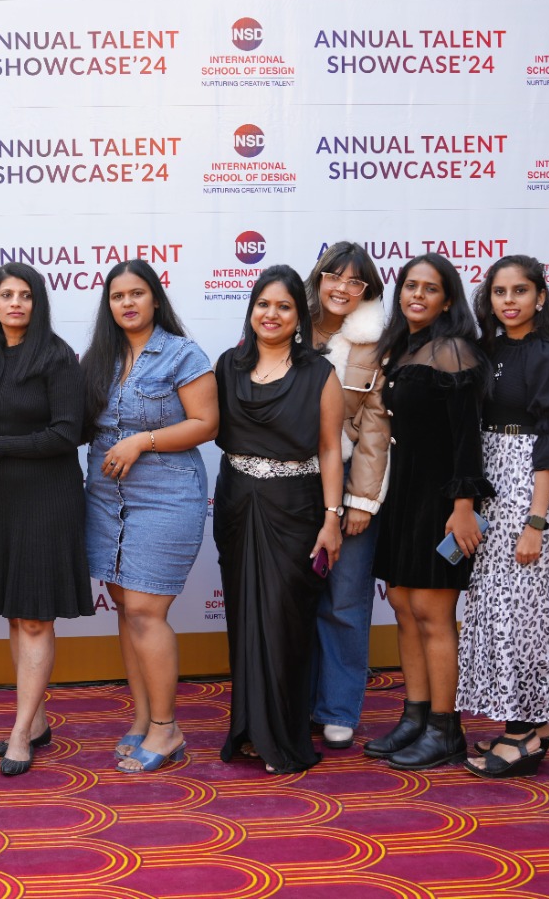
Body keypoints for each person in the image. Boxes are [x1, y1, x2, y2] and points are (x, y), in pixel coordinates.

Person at [0, 262, 92, 777]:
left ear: (38, 304)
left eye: (25, 295)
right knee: (15, 615)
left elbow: (67, 434)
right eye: (6, 295)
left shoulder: (57, 358)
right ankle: (34, 721)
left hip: (48, 499)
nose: (16, 302)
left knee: (35, 618)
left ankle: (19, 733)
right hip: (1, 501)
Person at [80, 260, 219, 774]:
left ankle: (167, 727)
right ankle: (142, 719)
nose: (128, 303)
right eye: (118, 296)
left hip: (166, 495)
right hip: (106, 497)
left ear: (155, 299)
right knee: (124, 605)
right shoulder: (100, 358)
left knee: (144, 609)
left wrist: (142, 440)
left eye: (136, 293)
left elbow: (207, 423)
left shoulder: (182, 353)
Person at [213, 266, 344, 775]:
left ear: (298, 317)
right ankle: (248, 730)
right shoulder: (228, 366)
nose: (272, 314)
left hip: (296, 509)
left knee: (285, 623)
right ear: (251, 310)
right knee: (245, 620)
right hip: (237, 504)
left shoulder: (319, 373)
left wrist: (331, 519)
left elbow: (330, 449)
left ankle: (283, 738)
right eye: (263, 304)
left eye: (284, 306)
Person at [366, 254, 494, 771]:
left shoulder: (453, 350)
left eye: (430, 288)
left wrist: (463, 507)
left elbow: (467, 439)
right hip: (404, 493)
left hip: (442, 498)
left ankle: (446, 729)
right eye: (410, 285)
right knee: (402, 605)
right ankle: (415, 716)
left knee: (432, 613)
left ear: (447, 300)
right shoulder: (404, 347)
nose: (417, 295)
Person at [458, 256, 549, 778]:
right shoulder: (486, 349)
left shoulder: (548, 353)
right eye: (500, 292)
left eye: (520, 291)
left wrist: (536, 522)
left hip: (529, 486)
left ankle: (522, 733)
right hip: (491, 481)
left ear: (540, 297)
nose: (509, 301)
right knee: (500, 607)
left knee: (527, 611)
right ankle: (534, 727)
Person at [303, 242, 390, 750]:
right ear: (318, 278)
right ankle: (296, 700)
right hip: (291, 483)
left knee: (344, 600)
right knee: (294, 598)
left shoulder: (374, 345)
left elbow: (377, 428)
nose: (342, 288)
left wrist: (361, 501)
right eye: (333, 276)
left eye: (355, 281)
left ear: (367, 291)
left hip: (352, 480)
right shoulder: (288, 324)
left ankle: (337, 708)